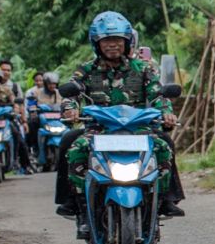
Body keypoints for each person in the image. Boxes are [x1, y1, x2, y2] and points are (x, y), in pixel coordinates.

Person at [55, 11, 185, 219]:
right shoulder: (86, 70)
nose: (112, 45)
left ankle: (164, 200)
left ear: (127, 41)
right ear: (96, 43)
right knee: (73, 146)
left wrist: (167, 113)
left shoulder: (143, 68)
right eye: (106, 41)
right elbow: (73, 93)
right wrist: (70, 109)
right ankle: (76, 203)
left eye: (117, 40)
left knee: (164, 146)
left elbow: (158, 95)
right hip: (98, 129)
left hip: (138, 129)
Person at [26, 72, 64, 155]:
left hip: (57, 118)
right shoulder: (37, 92)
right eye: (50, 84)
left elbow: (65, 103)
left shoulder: (60, 93)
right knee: (32, 123)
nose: (52, 86)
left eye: (54, 84)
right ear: (46, 84)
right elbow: (31, 104)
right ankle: (34, 147)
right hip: (42, 117)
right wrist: (32, 109)